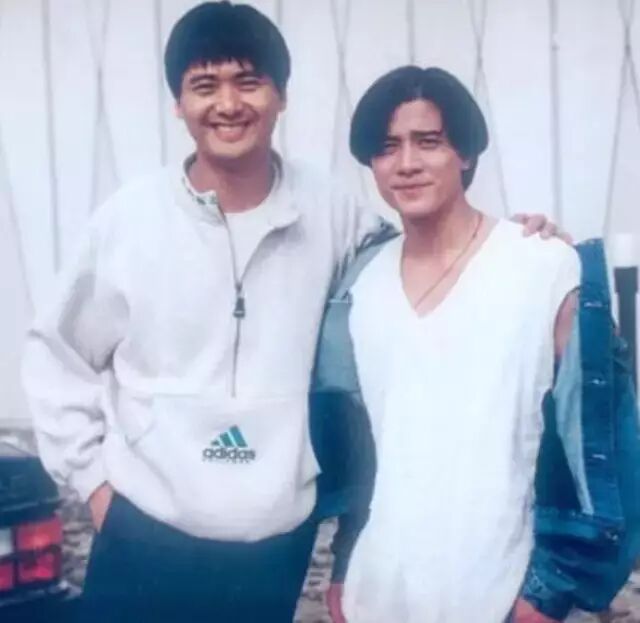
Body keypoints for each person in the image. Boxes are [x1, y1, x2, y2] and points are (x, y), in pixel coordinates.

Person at [22, 3, 562, 622]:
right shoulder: (128, 222)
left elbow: (430, 253)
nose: (228, 104)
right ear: (178, 103)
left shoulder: (333, 213)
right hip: (143, 537)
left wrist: (518, 242)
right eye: (205, 85)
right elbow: (55, 357)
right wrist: (95, 486)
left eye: (248, 81)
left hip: (274, 553)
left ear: (281, 96)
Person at [311, 66, 640, 623]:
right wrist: (345, 567)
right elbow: (361, 449)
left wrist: (550, 592)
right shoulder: (360, 285)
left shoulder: (543, 265)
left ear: (465, 153)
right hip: (377, 594)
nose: (407, 163)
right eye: (387, 147)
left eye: (428, 141)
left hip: (499, 596)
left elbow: (608, 444)